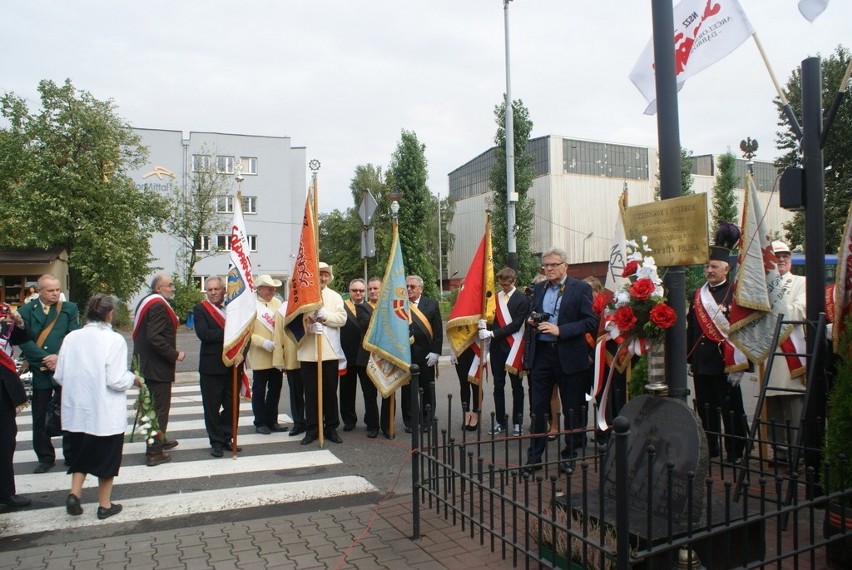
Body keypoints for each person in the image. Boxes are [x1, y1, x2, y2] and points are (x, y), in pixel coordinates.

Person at [54, 294, 141, 519]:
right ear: (109, 314)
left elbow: (60, 375)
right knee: (107, 460)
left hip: (76, 412)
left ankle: (75, 493)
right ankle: (104, 505)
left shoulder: (71, 337)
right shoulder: (114, 340)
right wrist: (133, 379)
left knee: (81, 453)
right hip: (104, 413)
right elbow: (115, 379)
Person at [524, 248, 597, 472]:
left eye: (553, 265)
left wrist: (561, 330)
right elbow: (533, 312)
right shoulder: (539, 288)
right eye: (545, 265)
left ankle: (569, 455)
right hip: (542, 354)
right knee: (537, 407)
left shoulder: (580, 288)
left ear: (565, 266)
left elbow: (590, 321)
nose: (548, 269)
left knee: (572, 407)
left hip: (568, 353)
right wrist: (532, 320)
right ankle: (534, 458)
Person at [687, 246, 749, 464]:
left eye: (713, 266)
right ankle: (710, 448)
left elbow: (743, 330)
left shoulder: (736, 294)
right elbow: (692, 329)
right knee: (706, 409)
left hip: (726, 363)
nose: (709, 270)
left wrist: (742, 365)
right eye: (707, 267)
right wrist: (689, 358)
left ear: (726, 269)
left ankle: (736, 451)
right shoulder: (698, 294)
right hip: (702, 362)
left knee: (730, 409)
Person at [17, 274, 80, 473]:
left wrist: (59, 358)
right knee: (40, 413)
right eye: (50, 290)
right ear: (39, 291)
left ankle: (71, 455)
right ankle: (45, 457)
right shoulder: (26, 310)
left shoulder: (69, 308)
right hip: (40, 370)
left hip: (63, 369)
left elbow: (73, 335)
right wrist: (45, 359)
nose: (55, 293)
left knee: (68, 411)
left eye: (57, 290)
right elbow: (23, 340)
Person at [132, 272, 184, 467]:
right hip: (155, 367)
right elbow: (154, 337)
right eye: (169, 285)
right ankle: (154, 452)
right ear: (158, 288)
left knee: (151, 407)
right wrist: (174, 354)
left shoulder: (147, 301)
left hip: (146, 364)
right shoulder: (157, 305)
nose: (172, 288)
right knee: (158, 408)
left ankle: (158, 439)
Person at [765, 240, 807, 464]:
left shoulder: (800, 282)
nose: (781, 260)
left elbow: (801, 310)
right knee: (773, 413)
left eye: (785, 256)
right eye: (777, 256)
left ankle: (797, 455)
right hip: (769, 353)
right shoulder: (762, 285)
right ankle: (780, 453)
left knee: (794, 412)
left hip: (791, 356)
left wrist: (773, 307)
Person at [299, 262, 347, 445]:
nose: (323, 278)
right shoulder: (302, 297)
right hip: (308, 352)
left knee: (329, 392)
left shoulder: (335, 297)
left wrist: (325, 315)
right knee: (310, 393)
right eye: (320, 274)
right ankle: (312, 428)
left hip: (330, 352)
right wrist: (309, 327)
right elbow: (293, 322)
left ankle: (331, 428)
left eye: (326, 275)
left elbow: (342, 319)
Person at [478, 267, 530, 436]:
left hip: (513, 347)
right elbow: (492, 319)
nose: (503, 288)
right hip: (496, 349)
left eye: (506, 285)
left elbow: (516, 324)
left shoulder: (522, 299)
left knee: (517, 387)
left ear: (513, 281)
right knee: (498, 385)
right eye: (501, 285)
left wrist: (493, 333)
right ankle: (500, 421)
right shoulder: (495, 298)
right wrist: (484, 325)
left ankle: (518, 422)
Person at [193, 277, 239, 457]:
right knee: (212, 407)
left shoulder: (233, 308)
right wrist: (231, 332)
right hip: (211, 367)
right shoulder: (200, 309)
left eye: (216, 289)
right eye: (209, 289)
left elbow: (245, 333)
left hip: (233, 364)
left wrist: (242, 351)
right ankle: (216, 442)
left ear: (224, 290)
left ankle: (227, 437)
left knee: (231, 405)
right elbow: (204, 334)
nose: (212, 293)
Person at [0, 304, 32, 509]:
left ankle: (5, 493)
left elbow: (21, 338)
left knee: (5, 439)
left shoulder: (2, 312)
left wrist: (17, 322)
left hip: (3, 386)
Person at [248, 275, 287, 435]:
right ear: (260, 289)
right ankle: (260, 422)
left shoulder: (277, 303)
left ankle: (272, 420)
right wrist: (262, 342)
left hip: (276, 354)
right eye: (270, 288)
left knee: (275, 389)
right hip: (260, 354)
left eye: (274, 288)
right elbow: (246, 332)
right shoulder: (251, 306)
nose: (273, 291)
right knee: (259, 390)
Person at [340, 279, 379, 437]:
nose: (358, 293)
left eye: (361, 291)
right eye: (355, 290)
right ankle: (349, 421)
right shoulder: (341, 307)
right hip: (346, 355)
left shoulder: (371, 307)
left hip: (365, 357)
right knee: (346, 391)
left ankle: (372, 423)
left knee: (369, 392)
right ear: (349, 291)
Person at [404, 275, 443, 433]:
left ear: (421, 288)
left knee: (427, 388)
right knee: (408, 391)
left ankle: (427, 420)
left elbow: (438, 331)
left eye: (413, 287)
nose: (409, 289)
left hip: (426, 355)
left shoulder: (431, 304)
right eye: (407, 286)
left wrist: (436, 352)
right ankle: (411, 421)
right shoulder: (400, 305)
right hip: (406, 355)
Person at [273, 304, 306, 437]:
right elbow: (278, 336)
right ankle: (298, 423)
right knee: (296, 394)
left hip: (310, 357)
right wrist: (280, 361)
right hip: (292, 359)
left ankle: (314, 421)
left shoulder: (310, 303)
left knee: (313, 394)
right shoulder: (282, 310)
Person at [450, 346, 480, 430]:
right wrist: (452, 349)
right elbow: (452, 333)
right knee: (463, 384)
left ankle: (475, 413)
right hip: (460, 349)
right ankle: (466, 413)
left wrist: (484, 352)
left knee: (475, 384)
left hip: (476, 348)